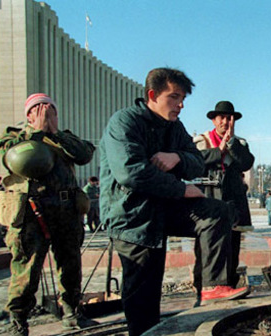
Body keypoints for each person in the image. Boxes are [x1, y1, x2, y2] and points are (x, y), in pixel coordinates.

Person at [100, 68, 248, 336]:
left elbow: (196, 163)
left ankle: (212, 285)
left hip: (161, 208)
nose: (181, 105)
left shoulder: (175, 128)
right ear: (152, 95)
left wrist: (176, 158)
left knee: (218, 211)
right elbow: (130, 172)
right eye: (174, 97)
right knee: (144, 299)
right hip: (132, 216)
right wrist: (179, 190)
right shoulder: (124, 123)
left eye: (183, 99)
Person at [0, 93, 96, 336]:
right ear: (29, 114)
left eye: (50, 109)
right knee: (27, 266)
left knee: (70, 263)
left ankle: (72, 312)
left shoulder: (65, 139)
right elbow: (14, 157)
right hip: (32, 211)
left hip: (66, 211)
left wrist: (55, 133)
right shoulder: (15, 137)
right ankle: (18, 321)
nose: (46, 113)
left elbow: (84, 154)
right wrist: (36, 133)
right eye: (40, 109)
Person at [193, 100, 255, 288]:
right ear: (214, 120)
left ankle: (229, 283)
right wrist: (217, 151)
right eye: (221, 118)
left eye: (229, 118)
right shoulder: (201, 141)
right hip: (210, 194)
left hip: (232, 196)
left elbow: (246, 163)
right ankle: (203, 284)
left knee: (232, 242)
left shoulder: (240, 143)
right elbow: (195, 162)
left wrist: (231, 143)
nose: (225, 122)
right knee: (207, 241)